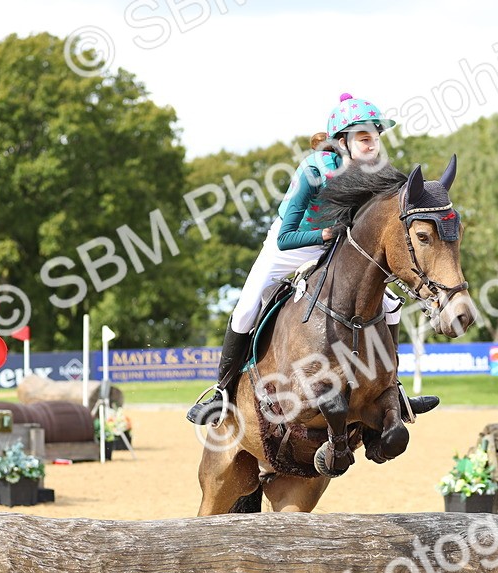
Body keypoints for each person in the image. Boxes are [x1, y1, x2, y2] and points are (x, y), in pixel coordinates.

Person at [187, 93, 439, 425]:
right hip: (291, 244)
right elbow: (285, 236)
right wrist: (321, 235)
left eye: (375, 137)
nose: (372, 145)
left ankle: (393, 387)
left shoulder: (377, 174)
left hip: (335, 246)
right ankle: (222, 391)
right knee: (247, 305)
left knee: (390, 305)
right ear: (344, 142)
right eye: (364, 138)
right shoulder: (313, 170)